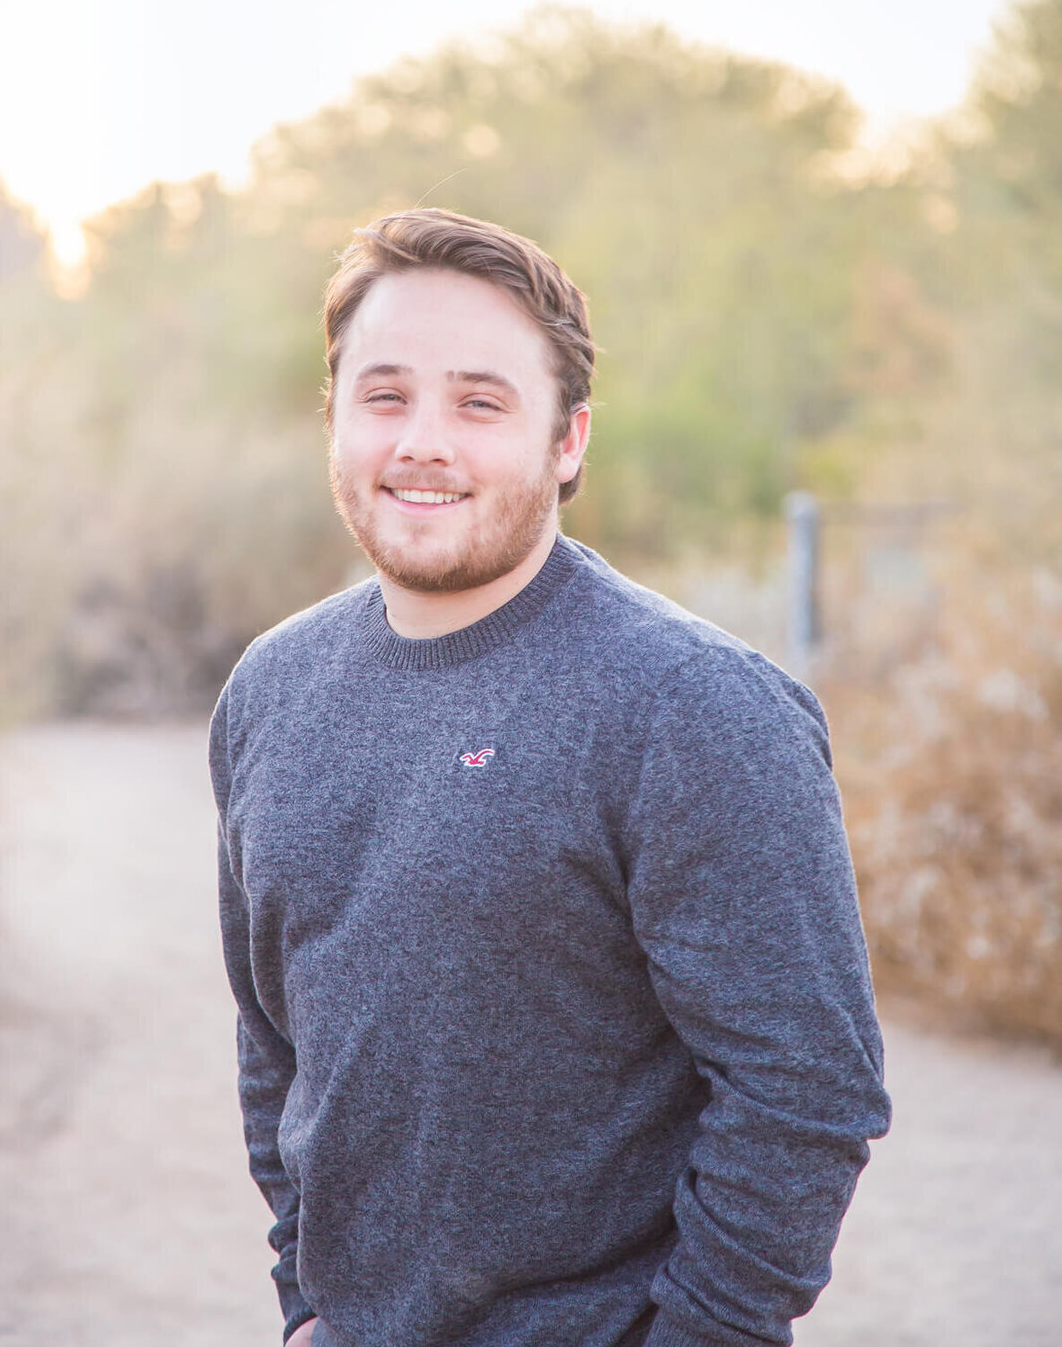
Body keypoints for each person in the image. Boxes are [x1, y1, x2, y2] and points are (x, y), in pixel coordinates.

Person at [209, 208, 892, 1347]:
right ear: (333, 421)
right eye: (385, 397)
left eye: (481, 402)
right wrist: (308, 1303)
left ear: (568, 442)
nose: (424, 440)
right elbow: (275, 1041)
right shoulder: (270, 691)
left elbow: (806, 1091)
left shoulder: (690, 706)